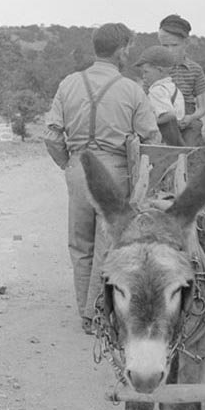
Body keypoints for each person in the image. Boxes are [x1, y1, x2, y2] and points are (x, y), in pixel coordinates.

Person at [44, 22, 159, 334]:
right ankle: (98, 315)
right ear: (121, 50)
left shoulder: (68, 84)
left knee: (79, 244)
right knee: (107, 246)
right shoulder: (132, 89)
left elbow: (52, 136)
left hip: (79, 168)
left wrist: (70, 165)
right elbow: (153, 139)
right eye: (129, 50)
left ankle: (86, 314)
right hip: (115, 171)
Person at [157, 13, 205, 146]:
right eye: (165, 46)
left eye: (174, 45)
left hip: (188, 120)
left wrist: (190, 118)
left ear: (186, 43)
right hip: (163, 118)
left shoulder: (195, 70)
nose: (169, 50)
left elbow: (202, 108)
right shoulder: (156, 69)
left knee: (191, 146)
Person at [133, 45, 185, 146]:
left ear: (160, 71)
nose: (144, 76)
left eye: (146, 72)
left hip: (163, 139)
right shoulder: (173, 88)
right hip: (177, 136)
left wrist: (149, 123)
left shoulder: (157, 90)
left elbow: (169, 114)